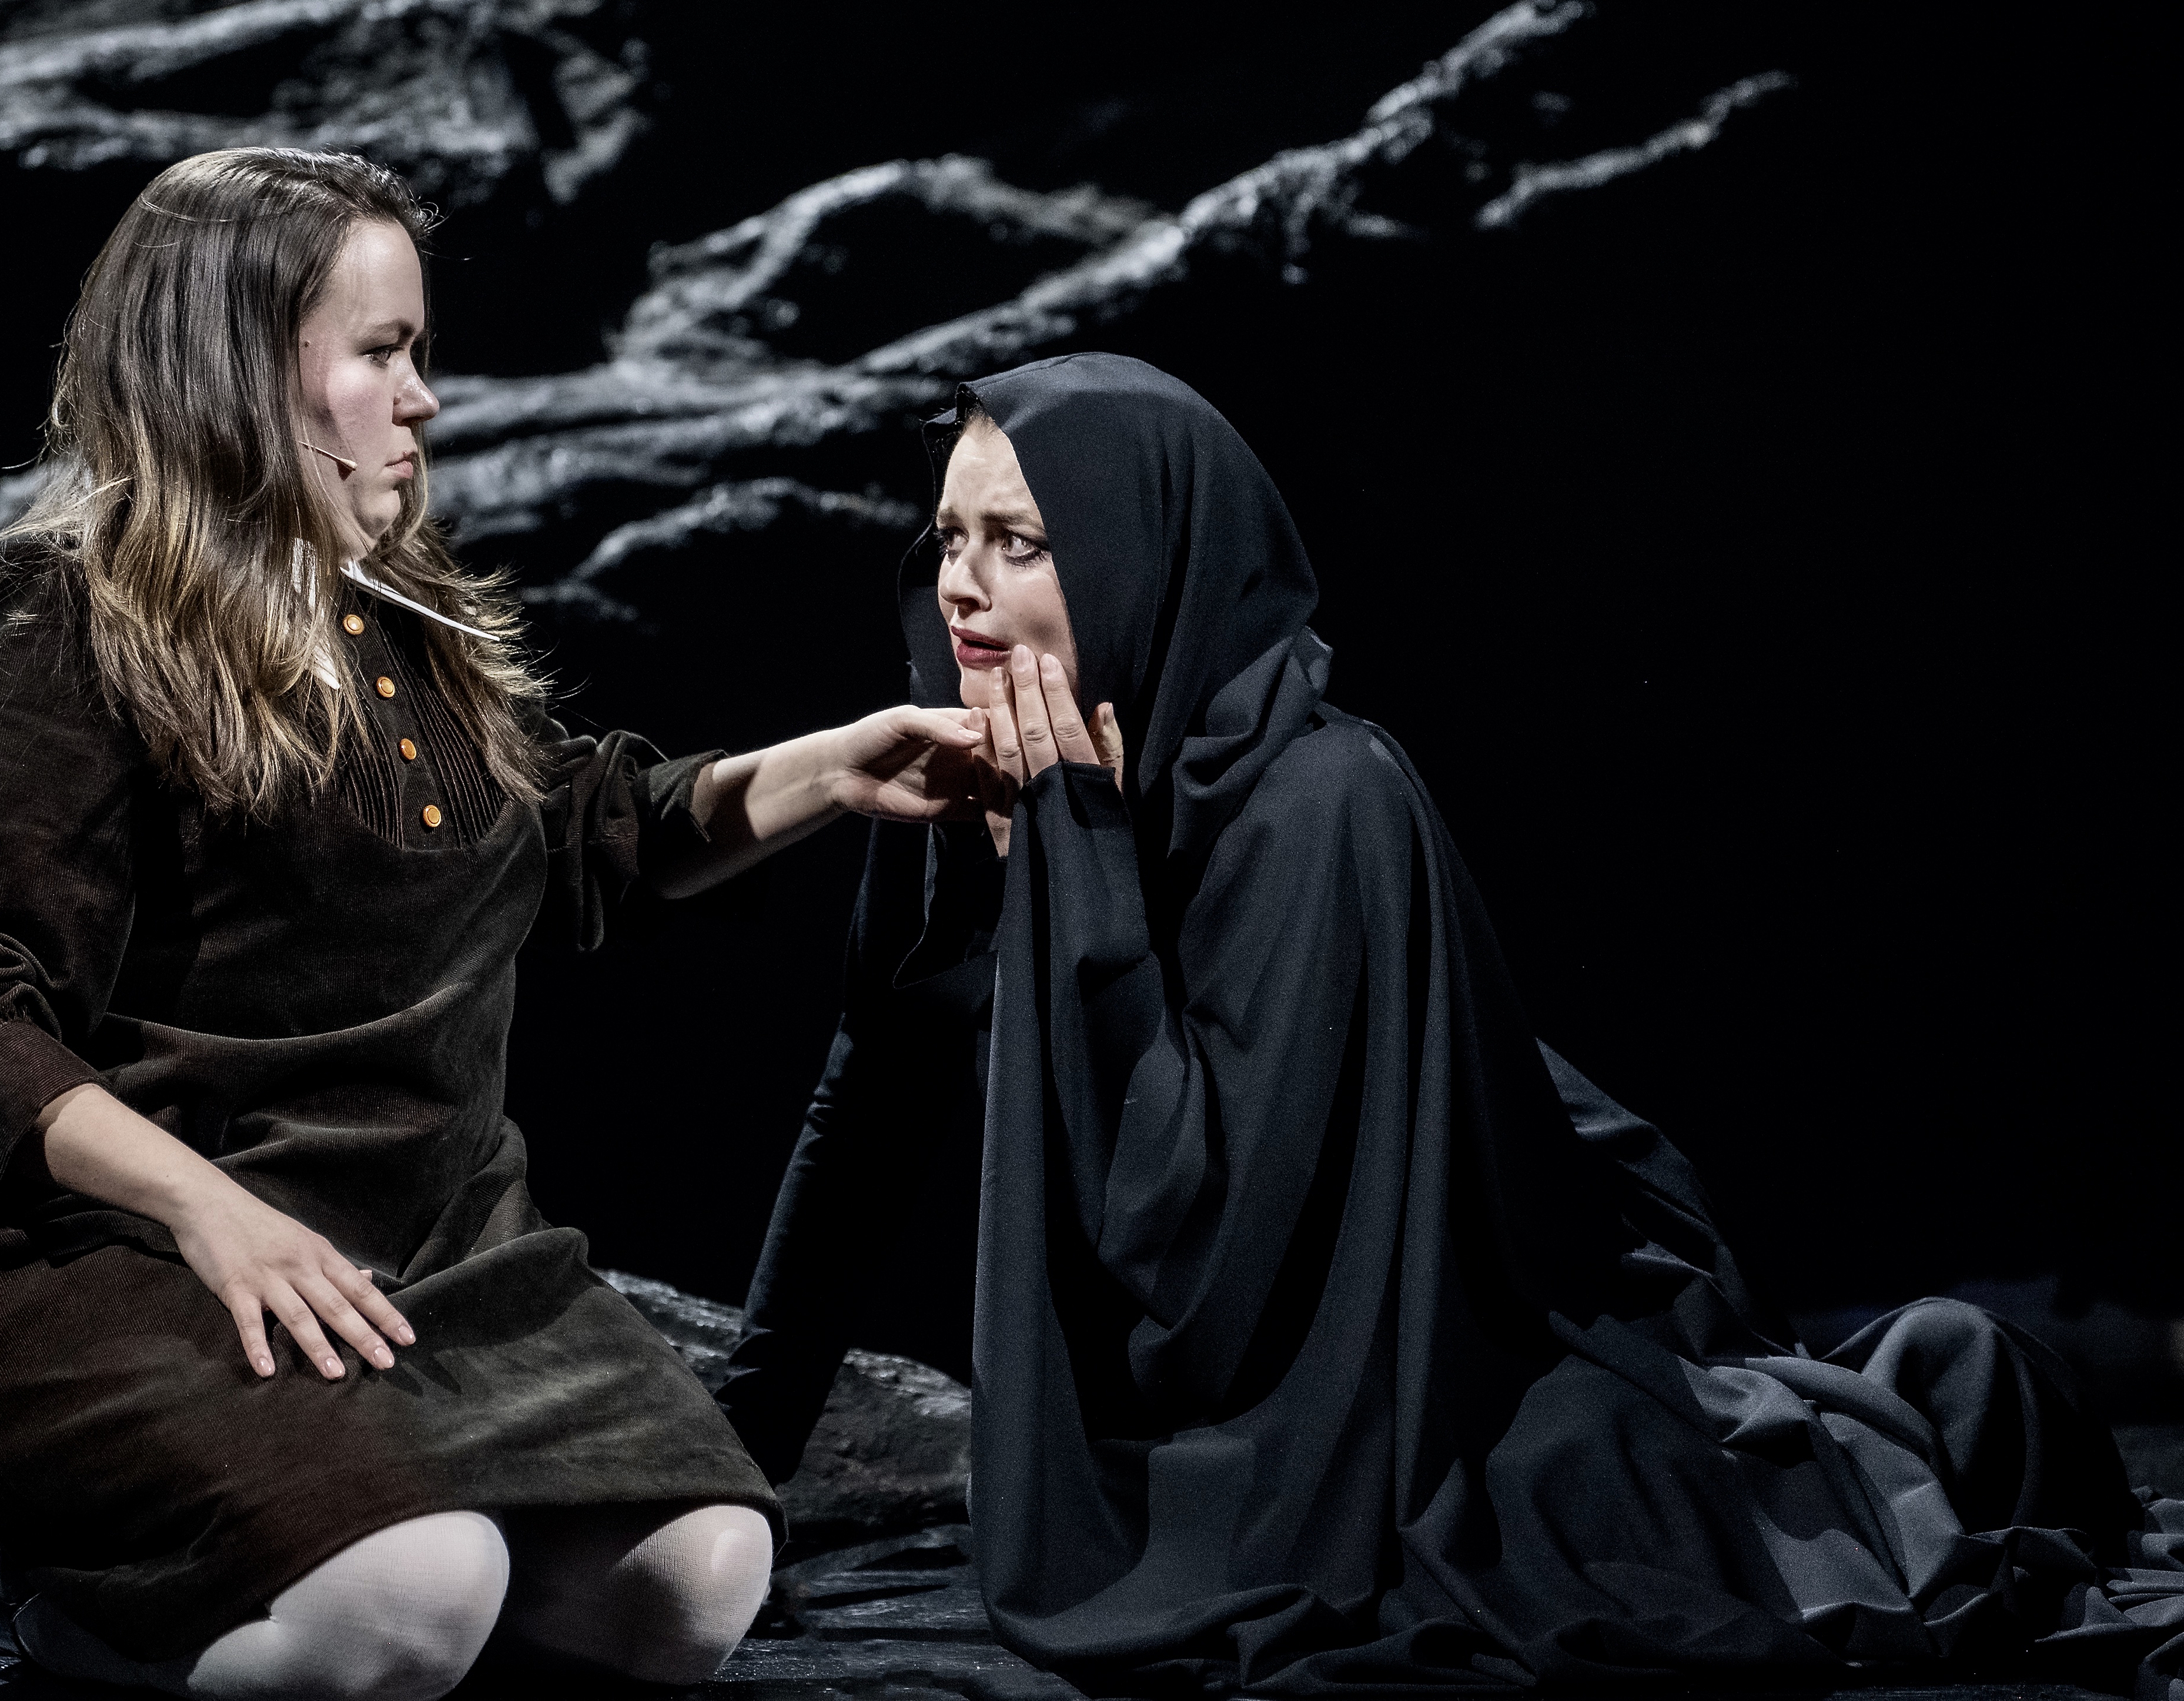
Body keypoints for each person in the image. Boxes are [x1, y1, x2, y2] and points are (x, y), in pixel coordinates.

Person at [715, 353, 2182, 1697]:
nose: (961, 589)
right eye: (948, 537)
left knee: (1585, 1512)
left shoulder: (1326, 800)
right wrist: (736, 1474)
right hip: (1183, 1403)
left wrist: (1083, 869)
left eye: (1020, 544)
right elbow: (866, 1122)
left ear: (1142, 555)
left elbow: (1203, 1259)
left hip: (1401, 1357)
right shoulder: (962, 777)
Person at [0, 146, 992, 1699]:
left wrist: (840, 767)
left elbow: (575, 833)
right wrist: (206, 1210)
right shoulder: (70, 619)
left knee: (698, 1581)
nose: (424, 399)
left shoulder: (404, 616)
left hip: (432, 1248)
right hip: (139, 1254)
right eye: (382, 353)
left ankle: (346, 1568)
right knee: (413, 1594)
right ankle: (75, 1605)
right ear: (242, 370)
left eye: (418, 353)